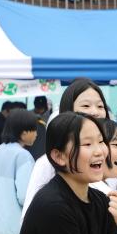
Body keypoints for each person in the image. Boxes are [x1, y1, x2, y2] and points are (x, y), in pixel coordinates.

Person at [23, 78, 110, 214]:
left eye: (100, 106)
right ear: (68, 110)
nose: (95, 112)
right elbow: (30, 215)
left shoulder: (106, 153)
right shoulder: (47, 163)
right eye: (86, 106)